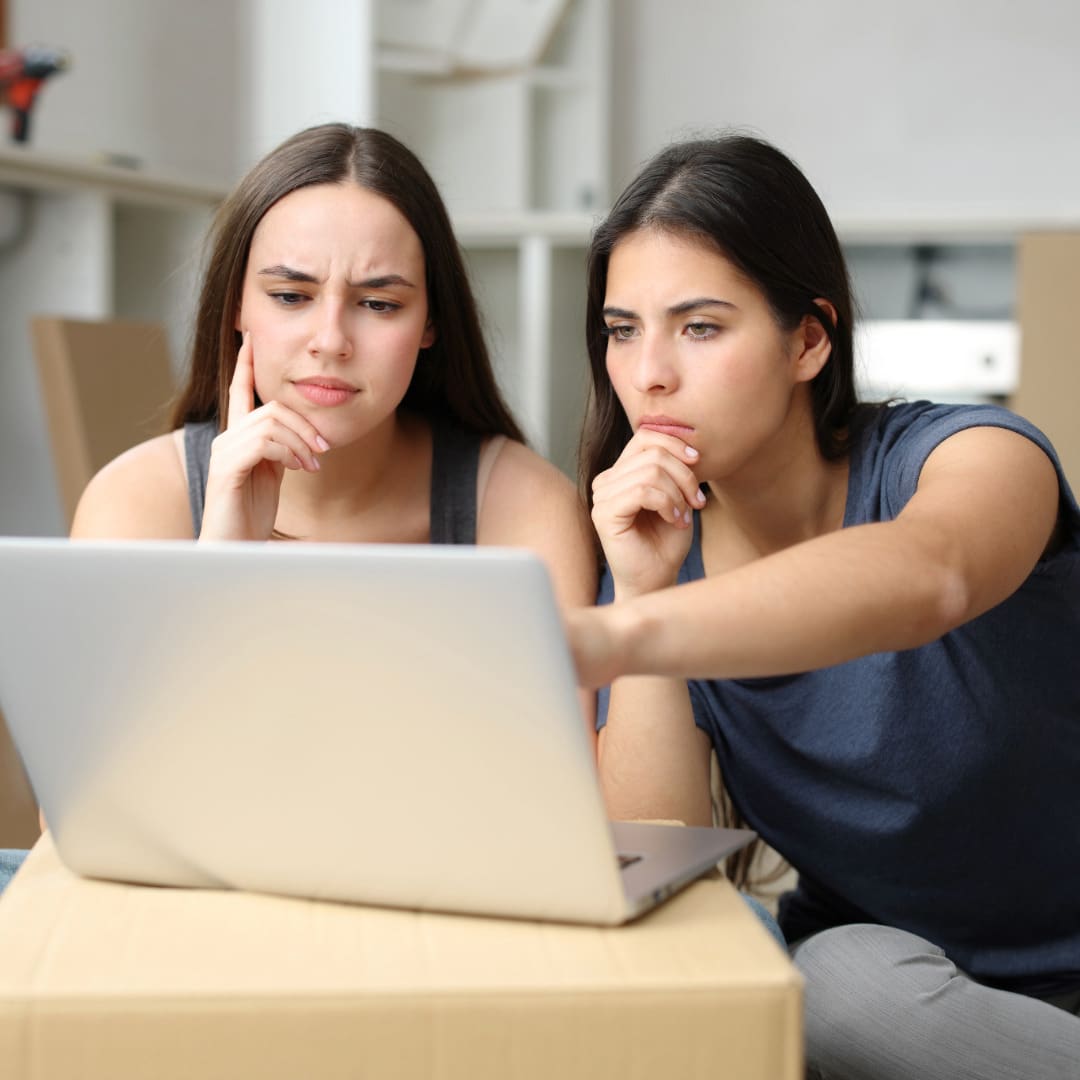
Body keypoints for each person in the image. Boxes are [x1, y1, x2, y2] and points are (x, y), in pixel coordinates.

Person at [567, 133, 1080, 1080]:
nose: (647, 375)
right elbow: (656, 865)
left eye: (702, 327)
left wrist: (623, 630)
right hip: (898, 987)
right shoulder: (652, 575)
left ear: (809, 339)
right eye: (622, 328)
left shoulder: (971, 455)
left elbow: (934, 574)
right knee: (837, 978)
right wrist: (639, 590)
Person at [0, 123, 597, 897]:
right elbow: (86, 836)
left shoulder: (520, 506)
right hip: (185, 915)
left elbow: (560, 819)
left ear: (430, 327)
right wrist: (222, 567)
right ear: (236, 310)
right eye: (290, 296)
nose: (329, 340)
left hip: (434, 909)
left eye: (379, 304)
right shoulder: (137, 498)